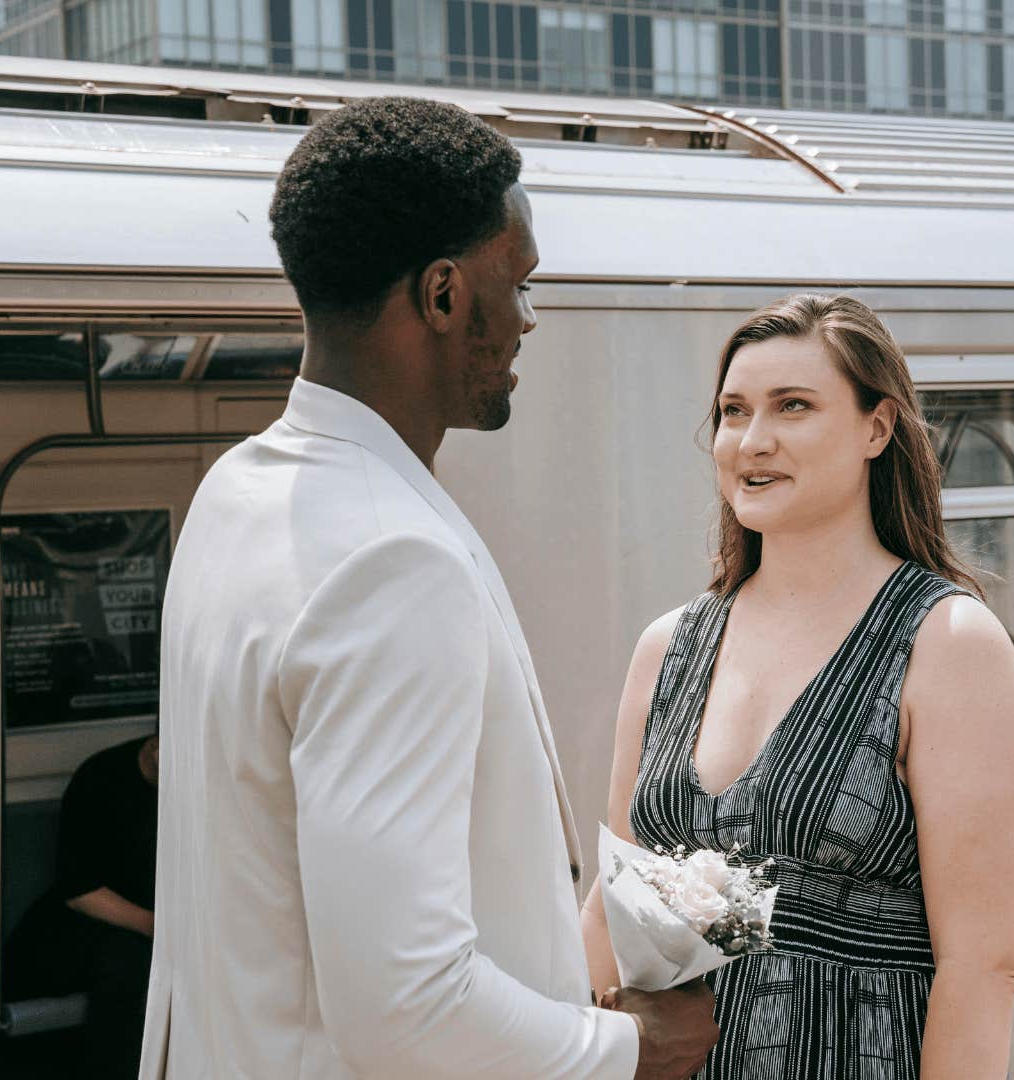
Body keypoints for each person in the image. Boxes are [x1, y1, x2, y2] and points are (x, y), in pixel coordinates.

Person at [139, 97, 718, 1080]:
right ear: (445, 295)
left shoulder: (234, 496)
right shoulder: (391, 562)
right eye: (518, 283)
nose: (529, 319)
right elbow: (405, 1006)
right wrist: (628, 1048)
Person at [582, 295, 1014, 1078]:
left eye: (792, 407)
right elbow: (612, 910)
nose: (752, 440)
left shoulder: (948, 647)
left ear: (878, 428)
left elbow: (984, 976)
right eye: (734, 412)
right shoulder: (668, 648)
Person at [7, 733, 159, 1079]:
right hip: (80, 924)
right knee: (128, 963)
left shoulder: (199, 788)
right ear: (155, 747)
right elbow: (78, 890)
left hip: (142, 930)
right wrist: (156, 926)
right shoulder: (101, 777)